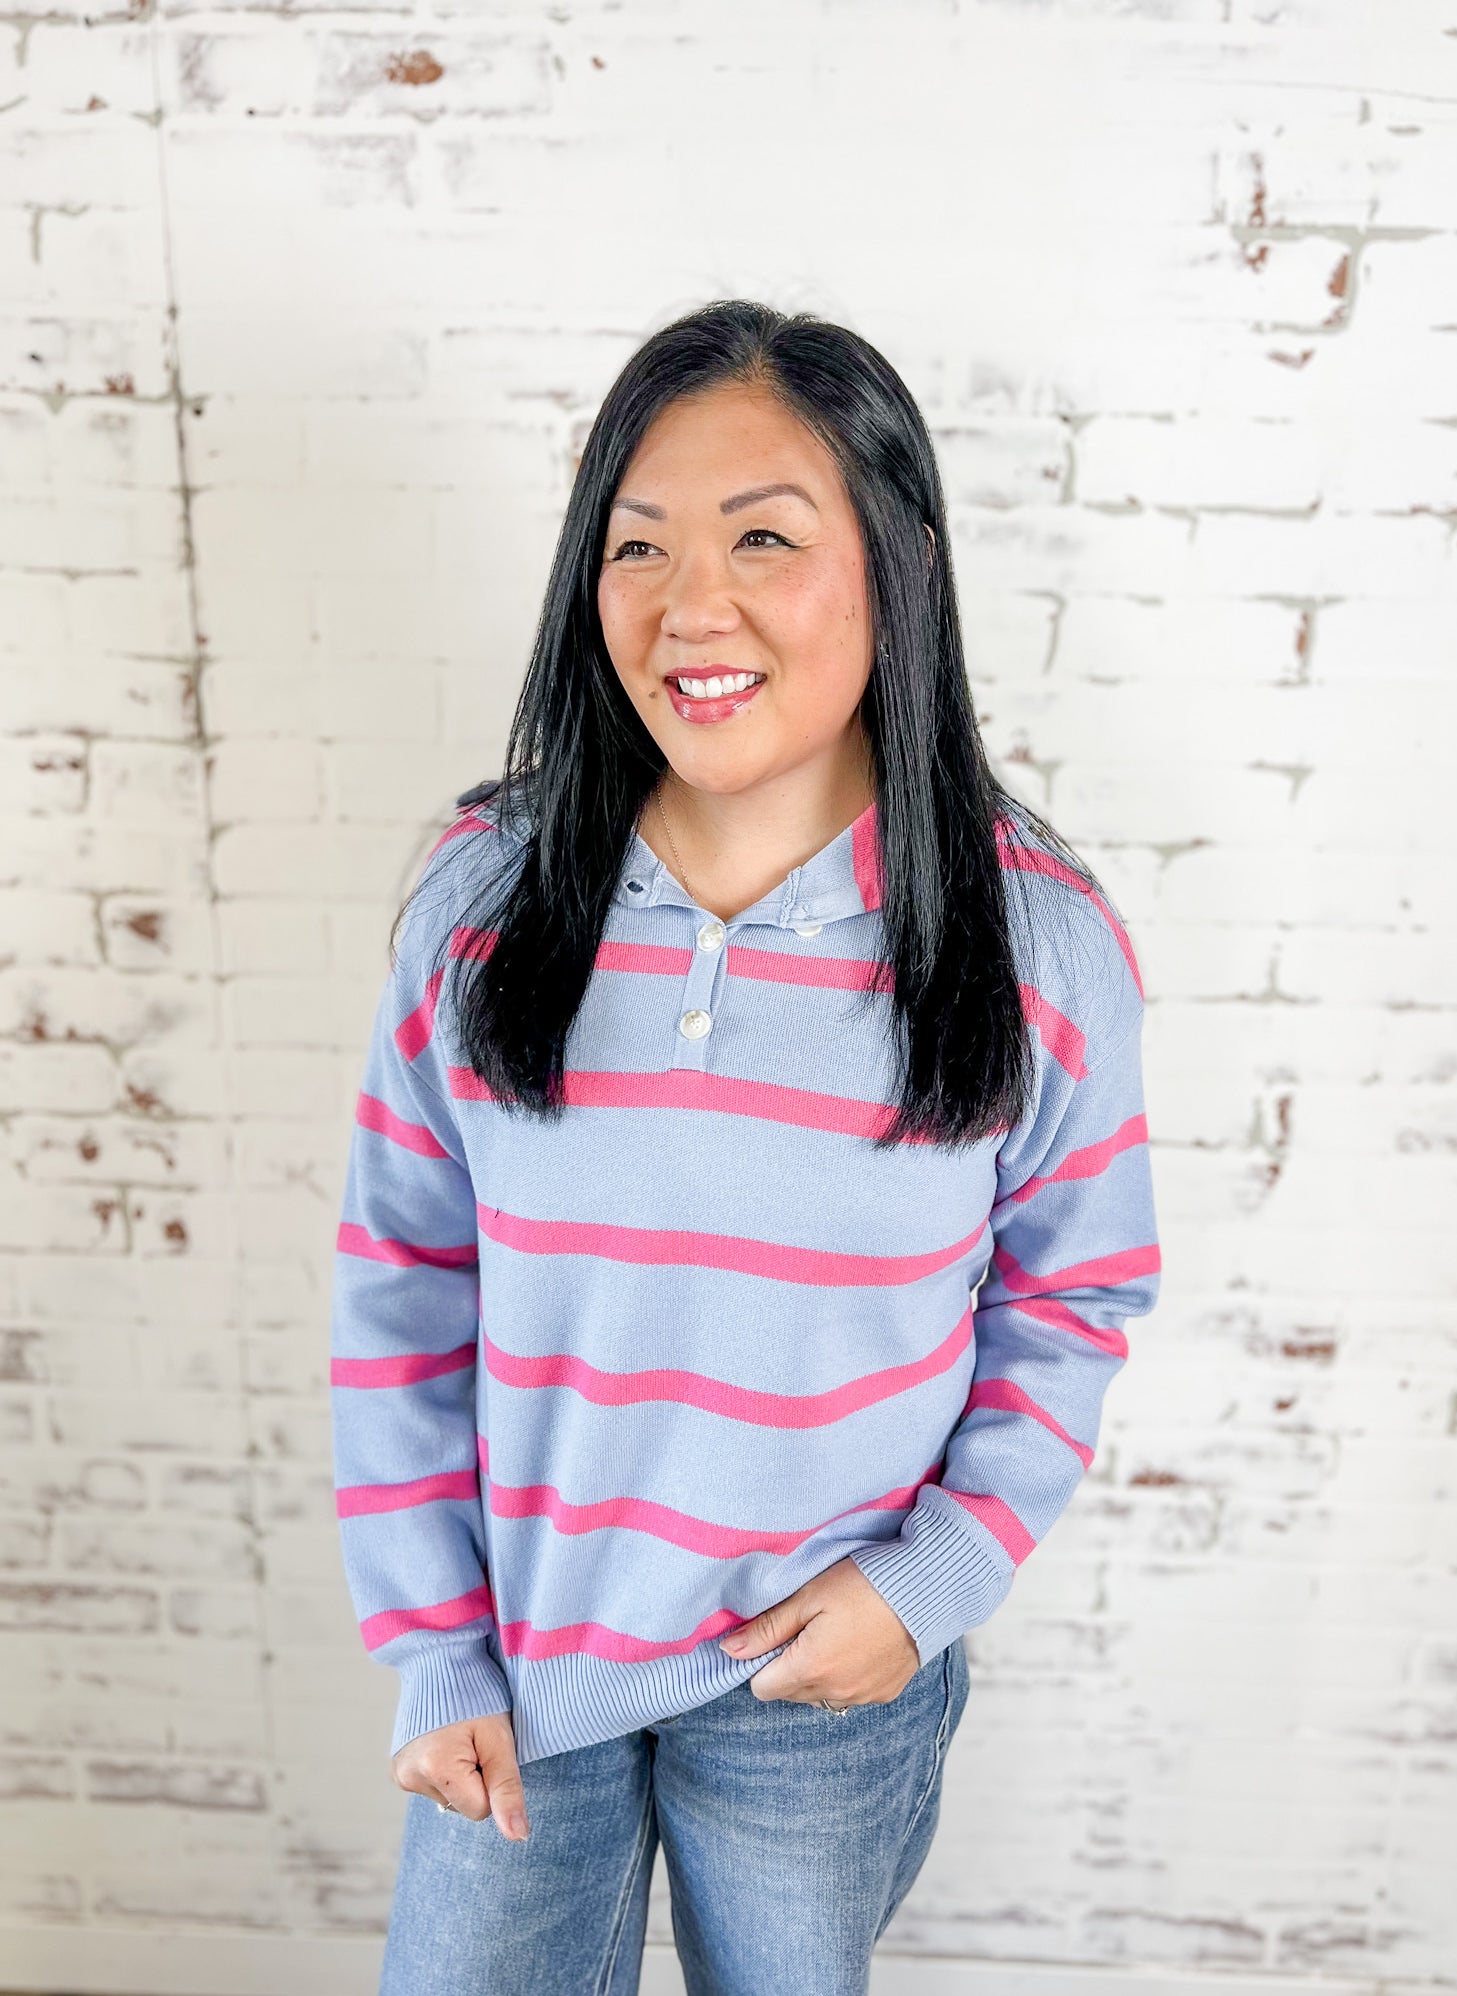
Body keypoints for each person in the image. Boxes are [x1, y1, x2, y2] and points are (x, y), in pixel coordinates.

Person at [329, 298, 1161, 1995]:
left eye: (763, 538)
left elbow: (1071, 1302)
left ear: (899, 566)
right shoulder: (481, 904)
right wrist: (432, 1642)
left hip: (813, 1690)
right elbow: (402, 1289)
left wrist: (927, 1586)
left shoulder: (1037, 948)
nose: (690, 607)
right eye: (637, 546)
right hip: (524, 1666)